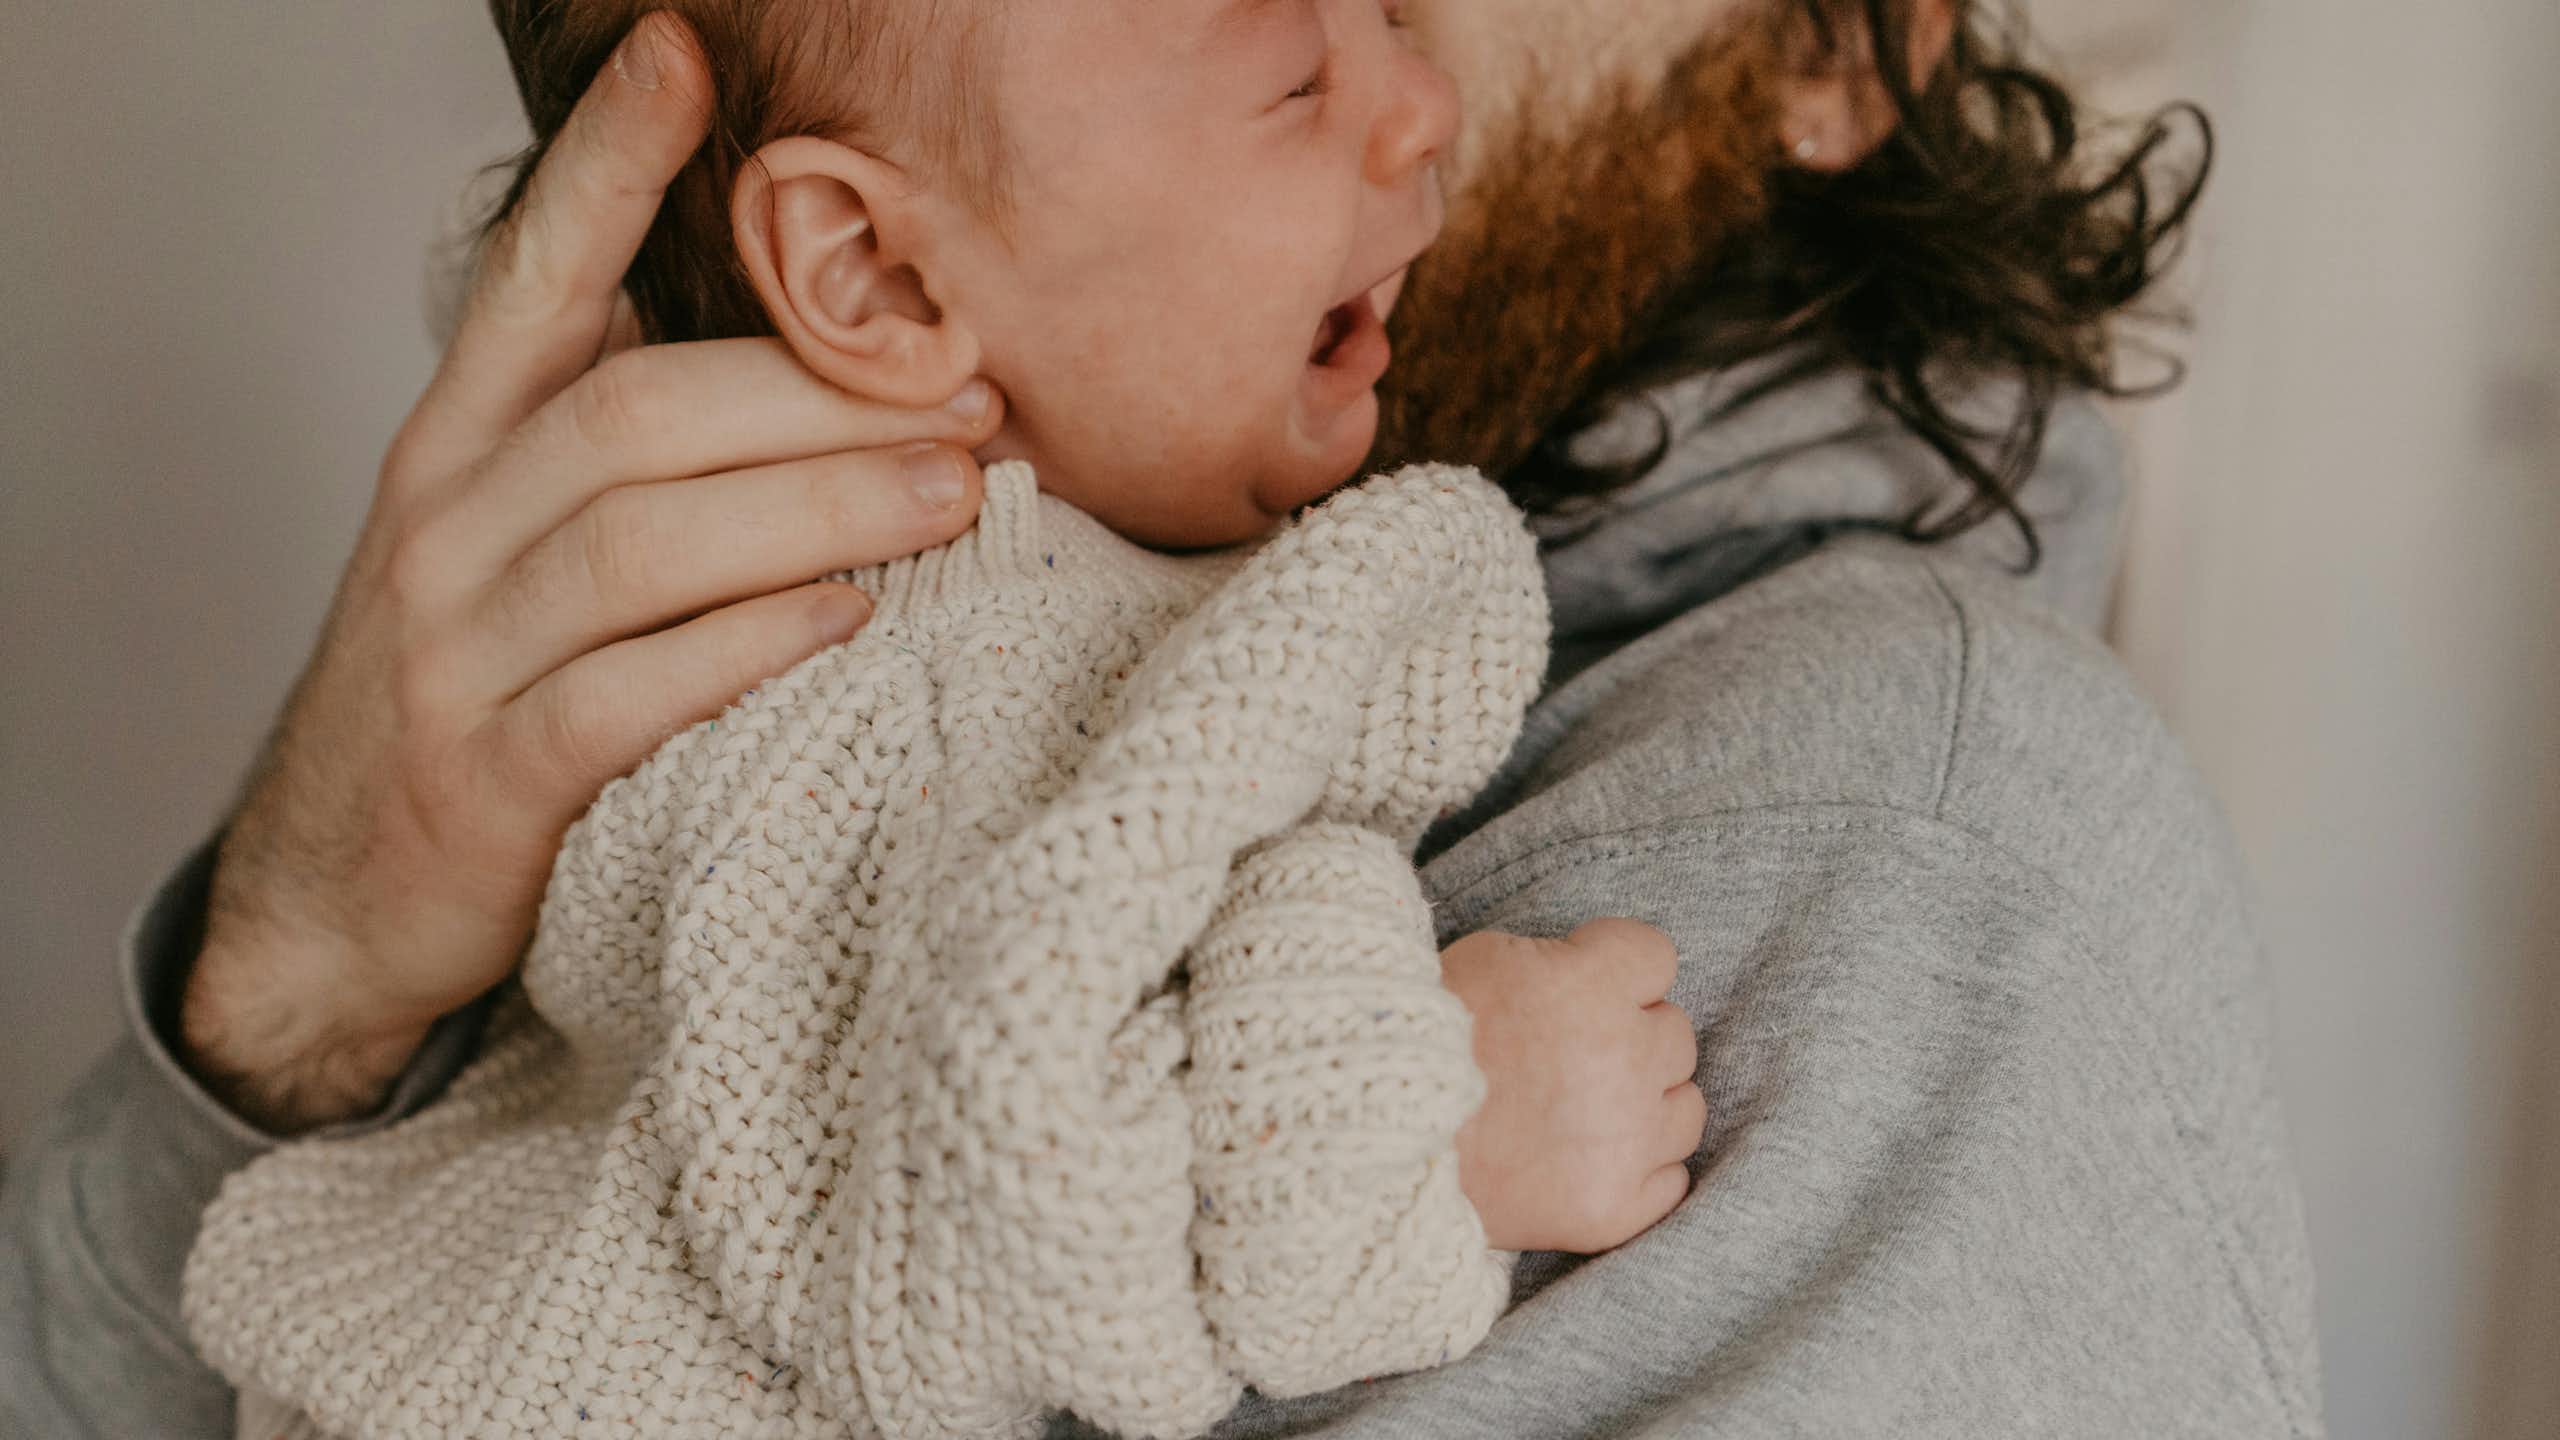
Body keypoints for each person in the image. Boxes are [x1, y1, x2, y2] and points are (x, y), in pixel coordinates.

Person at [1, 1, 2328, 1437]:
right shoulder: (793, 687)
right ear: (874, 259)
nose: (1377, 81)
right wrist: (289, 1003)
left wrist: (1392, 1112)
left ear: (1841, 39)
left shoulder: (1892, 876)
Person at [182, 5, 1702, 1431]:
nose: (1423, 99)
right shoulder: (902, 675)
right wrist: (1426, 1124)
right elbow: (978, 1185)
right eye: (1292, 78)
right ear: (881, 279)